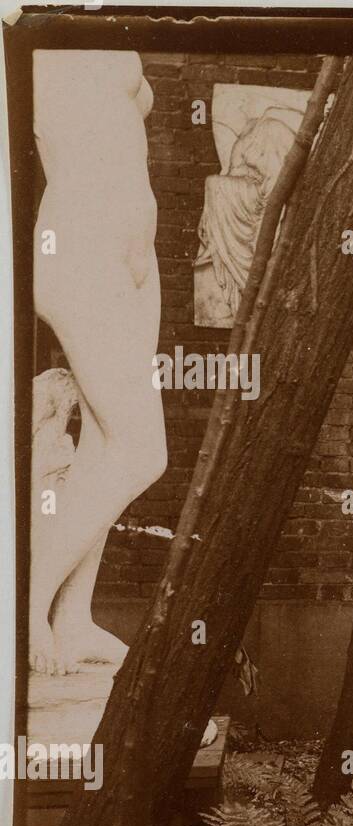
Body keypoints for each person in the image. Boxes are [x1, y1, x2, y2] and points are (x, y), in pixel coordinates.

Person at [30, 50, 166, 674]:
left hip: (134, 256)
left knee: (104, 447)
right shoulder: (39, 26)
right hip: (81, 241)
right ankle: (25, 596)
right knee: (143, 451)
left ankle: (73, 615)